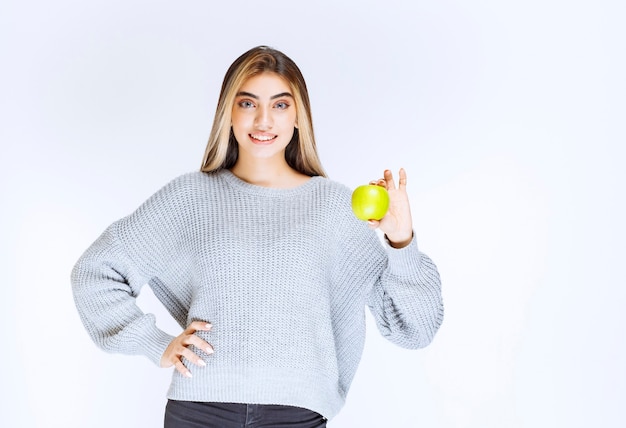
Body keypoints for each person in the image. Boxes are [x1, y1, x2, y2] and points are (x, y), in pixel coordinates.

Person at [71, 45, 444, 428]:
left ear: (299, 116)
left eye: (280, 105)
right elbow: (96, 273)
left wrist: (402, 242)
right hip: (199, 410)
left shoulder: (334, 206)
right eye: (248, 104)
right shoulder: (189, 198)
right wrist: (153, 343)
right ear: (227, 114)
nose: (264, 121)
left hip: (296, 415)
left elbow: (415, 329)